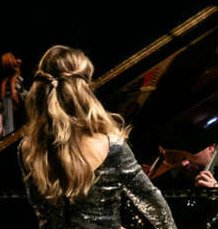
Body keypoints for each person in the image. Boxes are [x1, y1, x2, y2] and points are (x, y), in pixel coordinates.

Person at [17, 45, 177, 229]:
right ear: (83, 89)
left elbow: (43, 215)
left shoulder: (28, 148)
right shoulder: (111, 146)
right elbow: (154, 204)